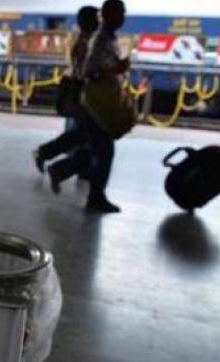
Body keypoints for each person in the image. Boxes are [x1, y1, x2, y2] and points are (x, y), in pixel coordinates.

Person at [33, 6, 99, 193]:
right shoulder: (83, 43)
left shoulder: (86, 40)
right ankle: (56, 163)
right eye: (95, 19)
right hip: (81, 93)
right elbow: (82, 71)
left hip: (84, 93)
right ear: (85, 22)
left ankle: (48, 156)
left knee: (83, 134)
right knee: (86, 135)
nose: (98, 22)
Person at [80, 0, 129, 213]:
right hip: (97, 103)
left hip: (100, 101)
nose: (123, 17)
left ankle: (63, 170)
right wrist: (116, 69)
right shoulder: (101, 40)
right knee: (104, 150)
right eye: (120, 13)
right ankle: (96, 196)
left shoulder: (109, 38)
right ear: (109, 15)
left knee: (96, 147)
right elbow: (89, 71)